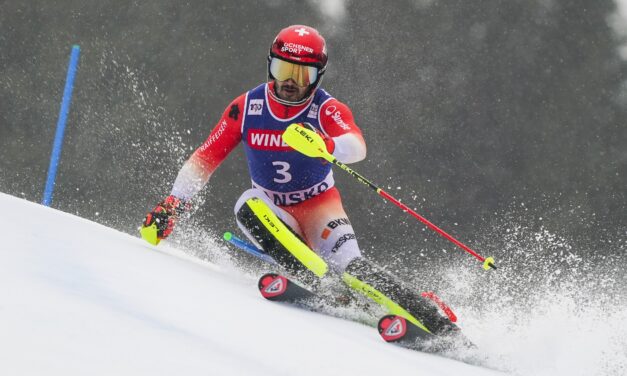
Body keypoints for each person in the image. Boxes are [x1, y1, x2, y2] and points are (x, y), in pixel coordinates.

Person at [142, 25, 458, 338]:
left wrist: (328, 146)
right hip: (273, 210)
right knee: (246, 205)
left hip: (320, 206)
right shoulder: (247, 107)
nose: (290, 82)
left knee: (355, 271)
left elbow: (357, 145)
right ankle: (328, 287)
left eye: (302, 74)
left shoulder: (325, 108)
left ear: (318, 76)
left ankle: (433, 320)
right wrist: (174, 204)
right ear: (269, 65)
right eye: (282, 70)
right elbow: (206, 157)